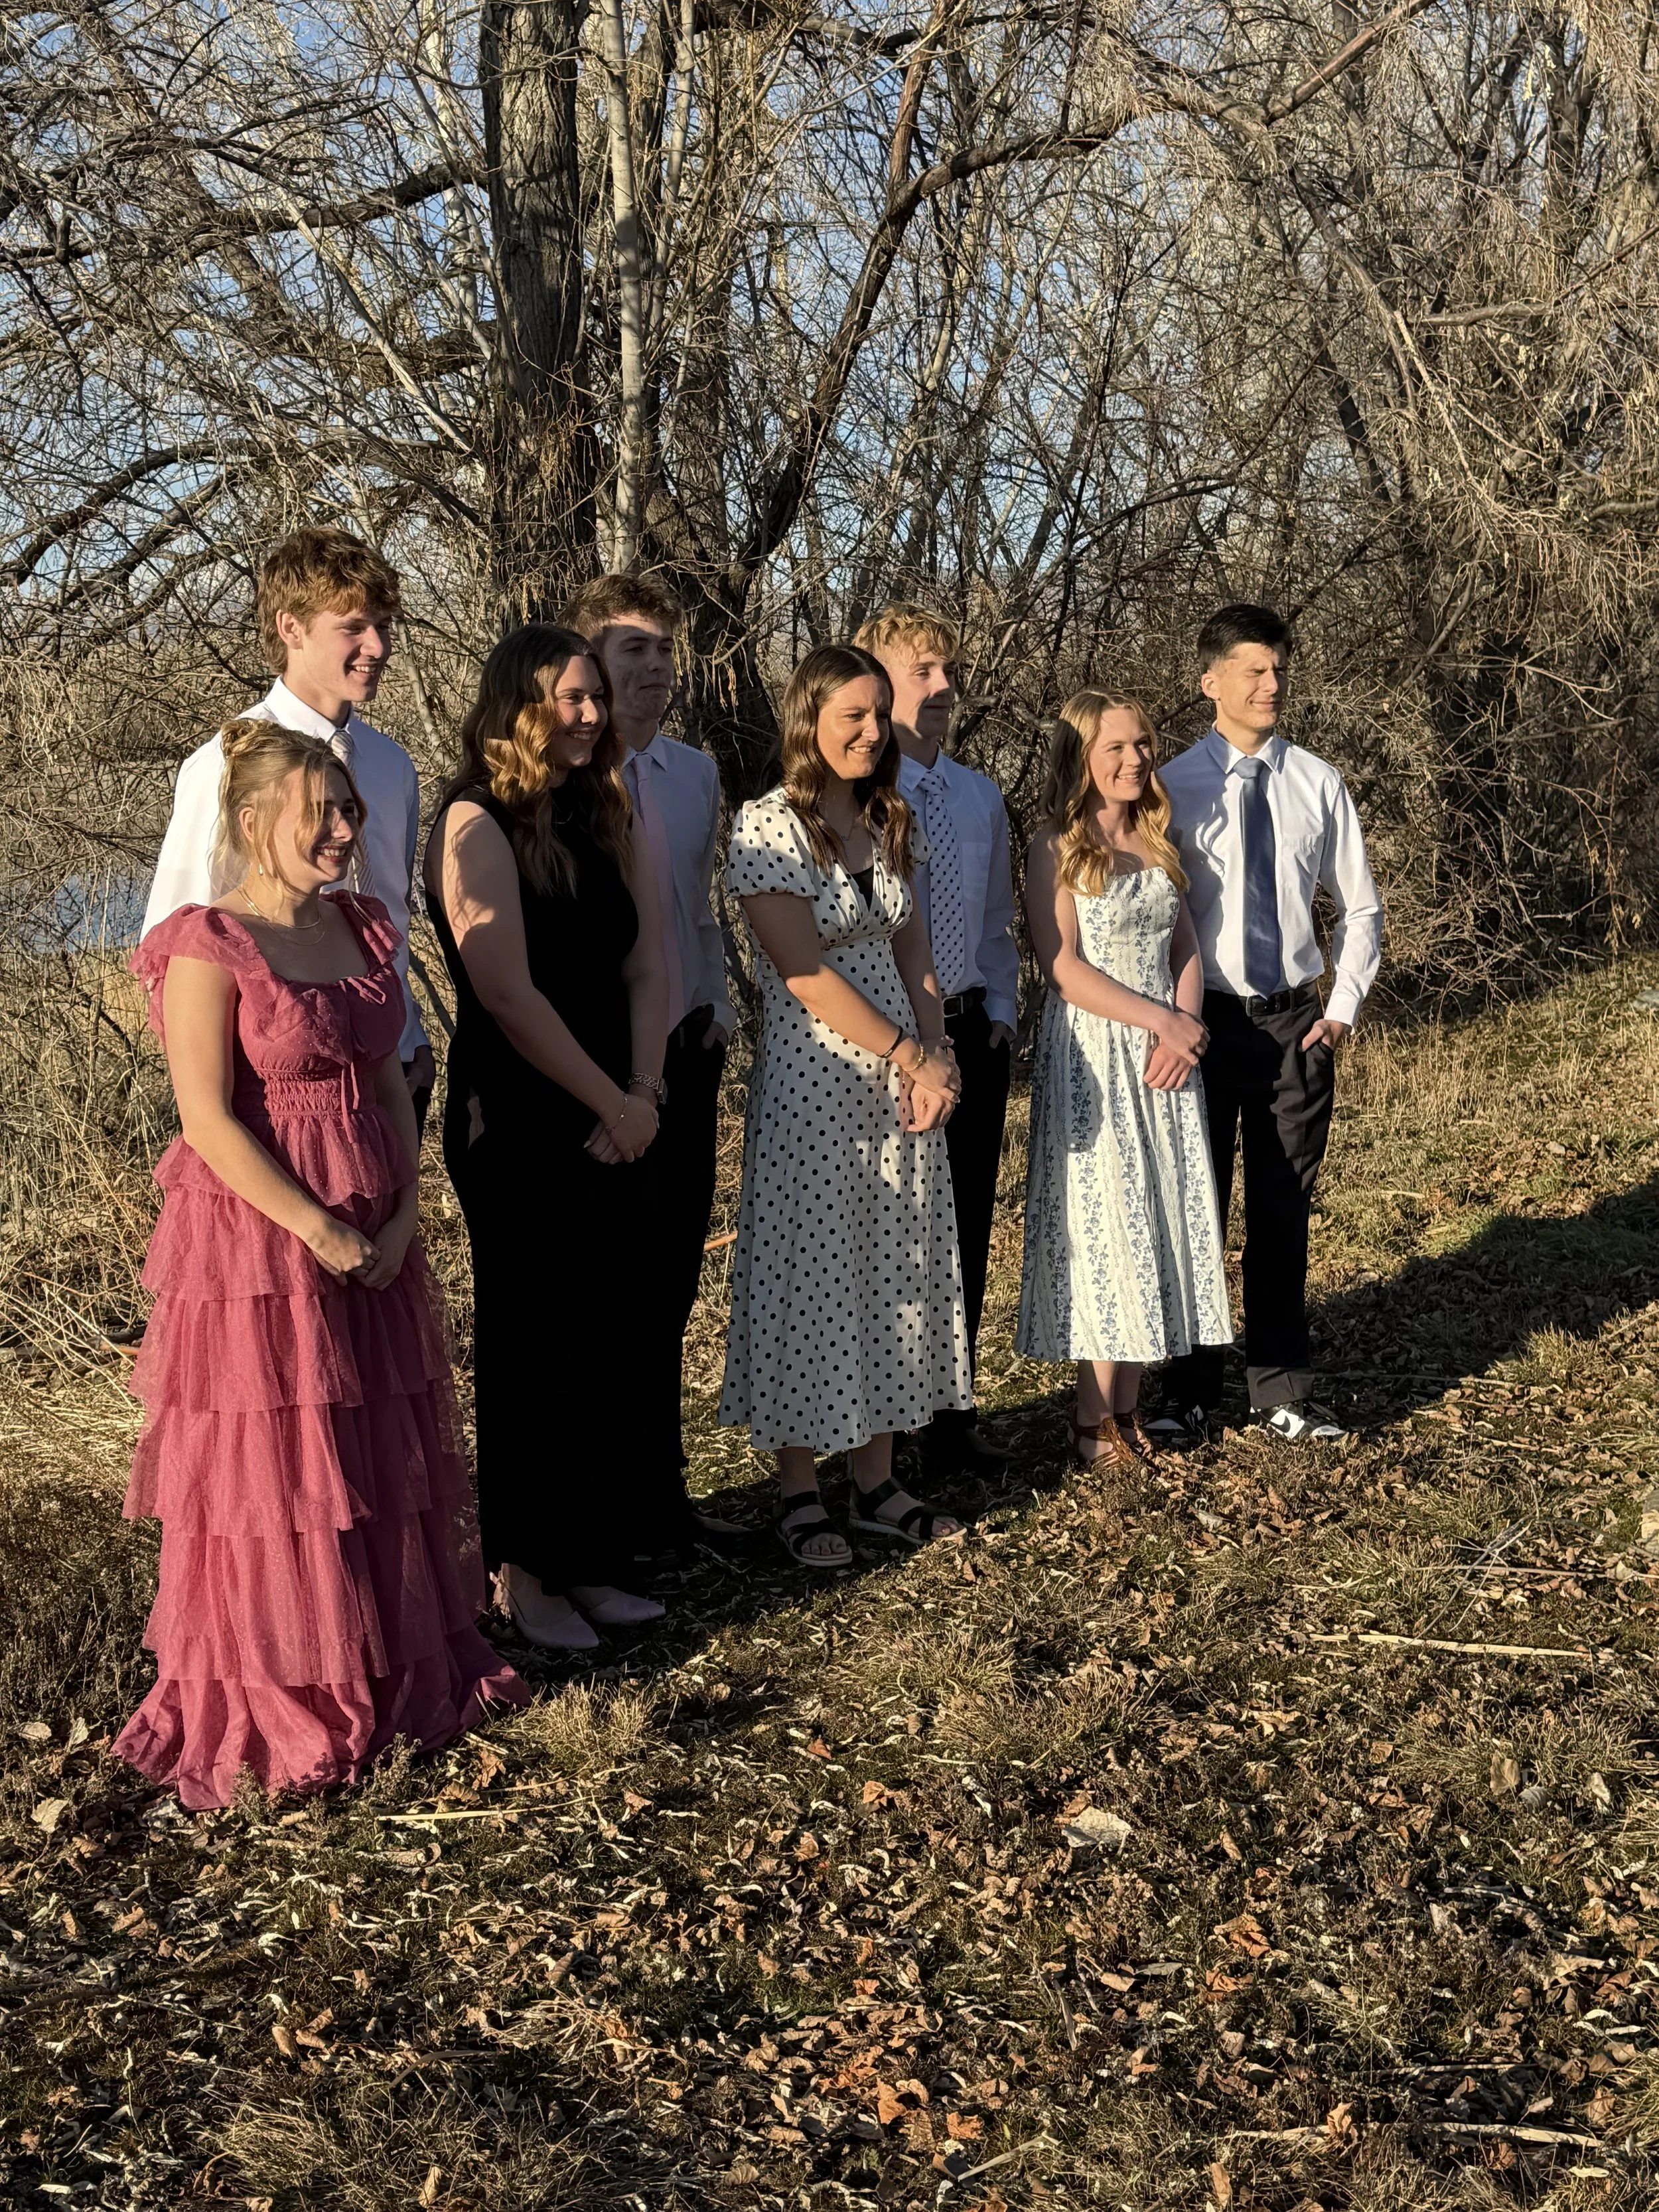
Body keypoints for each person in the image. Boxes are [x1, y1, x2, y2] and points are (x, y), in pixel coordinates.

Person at [115, 721, 526, 1810]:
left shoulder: (365, 927)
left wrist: (398, 1210)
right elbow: (206, 1118)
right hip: (260, 1238)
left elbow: (388, 1076)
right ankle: (287, 1694)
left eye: (350, 810)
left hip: (372, 1228)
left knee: (370, 1454)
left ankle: (388, 1669)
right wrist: (318, 1226)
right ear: (252, 821)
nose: (346, 830)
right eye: (324, 811)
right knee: (282, 1471)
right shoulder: (208, 941)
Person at [423, 626, 676, 1649]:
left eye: (594, 699)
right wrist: (606, 1103)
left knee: (614, 1333)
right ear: (516, 702)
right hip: (522, 1116)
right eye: (570, 697)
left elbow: (651, 960)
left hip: (625, 1106)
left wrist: (646, 1090)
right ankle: (525, 1572)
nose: (588, 713)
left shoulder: (604, 805)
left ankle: (597, 1558)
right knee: (537, 1340)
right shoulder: (472, 820)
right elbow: (507, 994)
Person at [720, 644, 971, 1565]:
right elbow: (806, 972)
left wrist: (935, 1053)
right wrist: (907, 1048)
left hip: (904, 1082)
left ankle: (878, 1478)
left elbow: (918, 952)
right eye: (850, 717)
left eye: (878, 716)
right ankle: (798, 1487)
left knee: (894, 1264)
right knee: (812, 1266)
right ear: (808, 721)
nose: (870, 733)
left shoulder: (889, 816)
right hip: (817, 1083)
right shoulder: (768, 825)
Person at [1154, 605, 1383, 1447]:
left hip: (1295, 1025)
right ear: (1210, 680)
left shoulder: (1317, 781)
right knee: (1195, 1211)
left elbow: (1360, 908)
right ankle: (1186, 1393)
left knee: (1282, 1212)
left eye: (1279, 669)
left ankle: (1280, 1390)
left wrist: (1341, 1009)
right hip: (1202, 1025)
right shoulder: (1167, 786)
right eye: (1253, 670)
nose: (1271, 684)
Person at [558, 573, 739, 1548]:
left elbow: (697, 906)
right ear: (590, 662)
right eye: (635, 650)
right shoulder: (566, 775)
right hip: (601, 1069)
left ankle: (664, 1493)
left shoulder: (696, 773)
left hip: (685, 1050)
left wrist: (711, 1008)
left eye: (667, 652)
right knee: (610, 1283)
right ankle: (609, 1502)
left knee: (672, 1276)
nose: (658, 670)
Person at [143, 526, 435, 1128]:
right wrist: (227, 1113)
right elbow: (177, 946)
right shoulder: (227, 766)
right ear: (291, 628)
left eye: (385, 624)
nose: (377, 645)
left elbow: (389, 917)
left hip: (393, 1073)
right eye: (353, 627)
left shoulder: (389, 765)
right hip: (283, 1105)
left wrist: (414, 1035)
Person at [1017, 696, 1232, 1468]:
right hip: (1096, 1060)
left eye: (1143, 743)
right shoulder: (1056, 845)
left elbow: (1185, 945)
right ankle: (1090, 1422)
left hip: (1165, 1060)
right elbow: (1064, 966)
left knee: (1158, 1220)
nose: (1136, 759)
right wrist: (1157, 1022)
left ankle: (1131, 1410)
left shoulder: (1156, 838)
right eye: (1116, 746)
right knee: (1106, 1231)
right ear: (1080, 755)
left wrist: (1185, 1024)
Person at [855, 606, 1019, 1480]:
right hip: (890, 1044)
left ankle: (953, 1418)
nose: (944, 685)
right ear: (878, 681)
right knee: (900, 1235)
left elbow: (995, 921)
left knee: (965, 1227)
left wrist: (1000, 1009)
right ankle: (893, 1425)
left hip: (969, 1031)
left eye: (948, 669)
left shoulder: (980, 795)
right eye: (923, 670)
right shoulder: (861, 800)